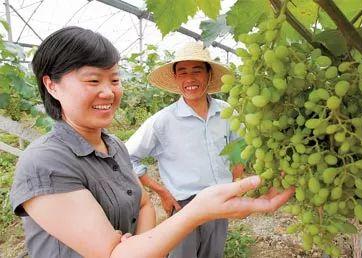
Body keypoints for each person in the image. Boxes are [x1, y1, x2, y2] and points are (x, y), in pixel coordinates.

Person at [10, 26, 294, 258]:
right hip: (189, 206)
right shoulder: (44, 163)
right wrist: (178, 207)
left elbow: (143, 206)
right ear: (52, 85)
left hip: (216, 204)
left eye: (115, 79)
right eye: (93, 81)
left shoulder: (114, 146)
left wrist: (135, 246)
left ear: (209, 76)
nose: (108, 92)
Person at [124, 41, 247, 258]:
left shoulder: (226, 112)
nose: (190, 79)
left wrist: (237, 168)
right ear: (176, 78)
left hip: (220, 201)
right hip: (183, 206)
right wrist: (160, 191)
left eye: (197, 71)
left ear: (209, 76)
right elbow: (127, 157)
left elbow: (239, 141)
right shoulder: (162, 121)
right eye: (182, 72)